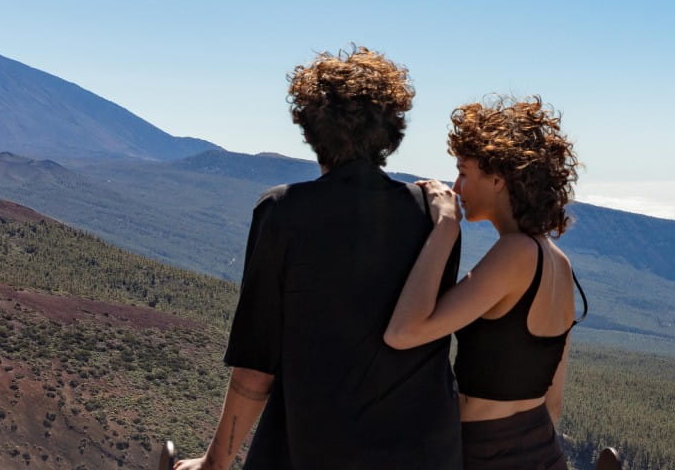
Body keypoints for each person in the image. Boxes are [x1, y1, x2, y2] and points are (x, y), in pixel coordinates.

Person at [178, 48, 463, 470]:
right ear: (391, 129)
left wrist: (215, 461)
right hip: (426, 451)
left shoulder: (283, 211)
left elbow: (256, 364)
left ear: (311, 128)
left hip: (313, 448)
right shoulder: (435, 214)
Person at [385, 95, 586, 470]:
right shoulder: (558, 261)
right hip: (540, 447)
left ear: (498, 179)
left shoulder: (516, 253)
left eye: (464, 172)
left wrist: (445, 226)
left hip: (489, 451)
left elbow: (403, 332)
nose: (456, 188)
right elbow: (553, 401)